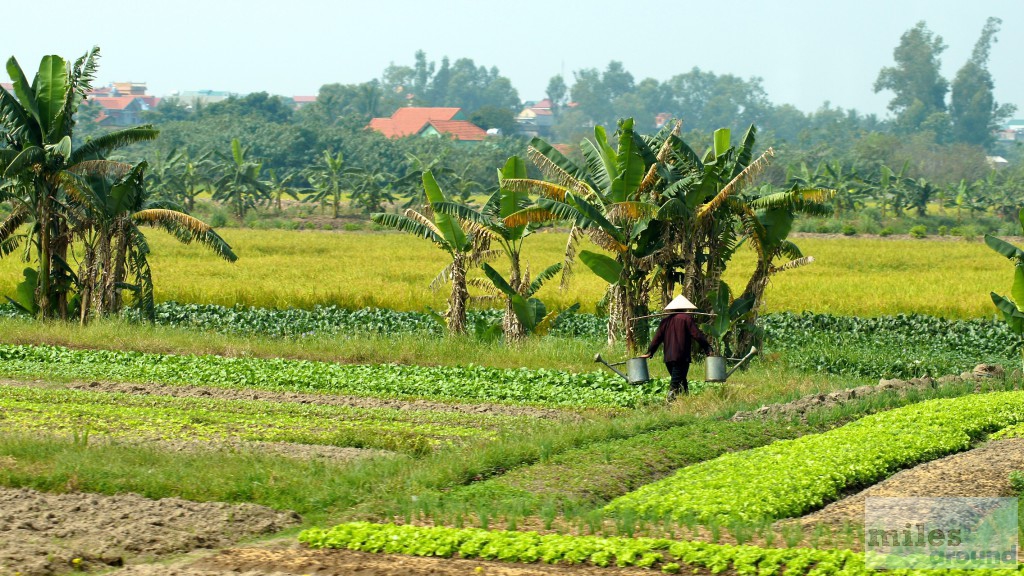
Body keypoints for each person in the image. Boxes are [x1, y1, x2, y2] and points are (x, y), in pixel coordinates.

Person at [640, 295, 711, 399]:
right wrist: (707, 348)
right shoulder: (686, 318)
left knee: (681, 380)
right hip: (681, 357)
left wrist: (650, 351)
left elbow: (657, 338)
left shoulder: (665, 321)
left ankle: (685, 400)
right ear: (686, 308)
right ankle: (669, 400)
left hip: (668, 357)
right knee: (675, 383)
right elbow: (697, 335)